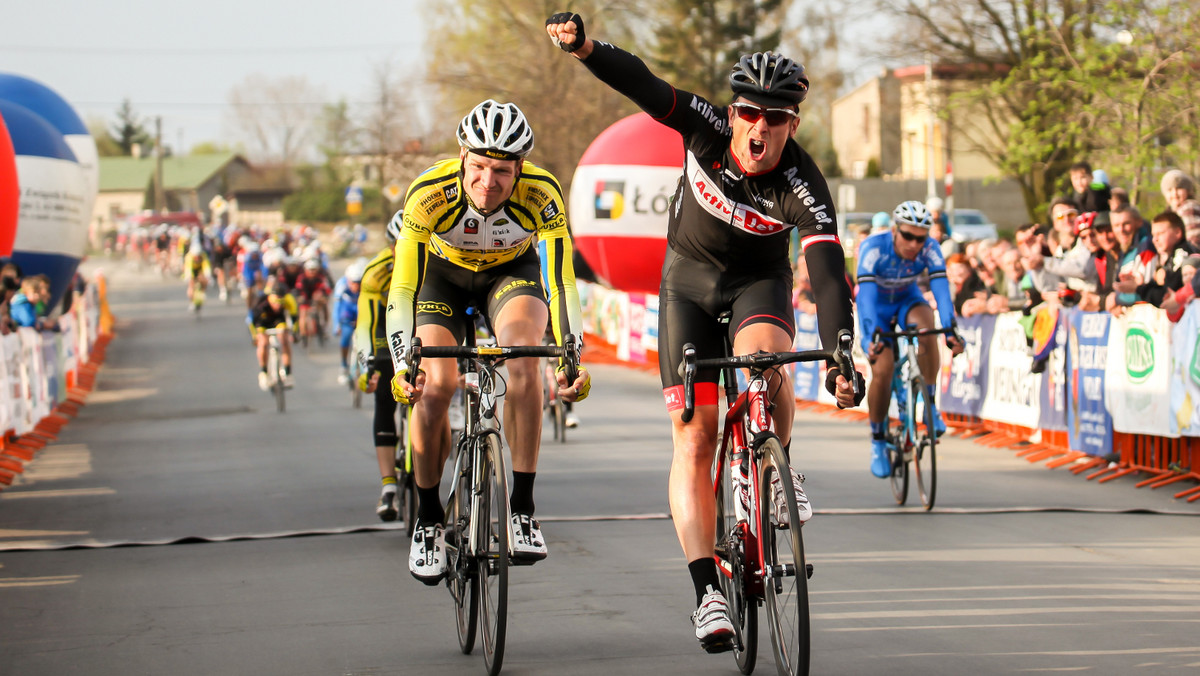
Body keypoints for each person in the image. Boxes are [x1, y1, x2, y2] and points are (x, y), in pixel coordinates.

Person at [545, 12, 861, 653]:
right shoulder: (706, 126)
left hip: (757, 286)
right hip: (686, 286)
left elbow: (828, 276)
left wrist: (842, 354)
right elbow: (644, 84)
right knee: (695, 436)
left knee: (767, 364)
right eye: (750, 113)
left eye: (776, 118)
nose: (760, 128)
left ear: (792, 125)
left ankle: (776, 459)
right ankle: (705, 594)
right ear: (734, 112)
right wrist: (585, 50)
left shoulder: (802, 183)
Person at [385, 100, 591, 585]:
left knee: (523, 361)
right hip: (442, 280)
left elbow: (561, 283)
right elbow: (402, 287)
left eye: (502, 171)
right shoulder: (429, 192)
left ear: (521, 167)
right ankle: (430, 520)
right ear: (461, 157)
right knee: (436, 385)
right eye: (477, 167)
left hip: (508, 275)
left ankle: (521, 507)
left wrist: (570, 356)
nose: (487, 182)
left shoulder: (542, 194)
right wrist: (402, 362)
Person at [856, 200, 965, 479]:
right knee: (882, 369)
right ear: (895, 230)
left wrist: (950, 328)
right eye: (908, 236)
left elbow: (941, 288)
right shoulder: (873, 247)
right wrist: (870, 336)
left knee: (928, 329)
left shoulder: (931, 248)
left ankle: (929, 406)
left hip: (907, 299)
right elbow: (866, 298)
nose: (915, 244)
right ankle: (878, 440)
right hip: (877, 309)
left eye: (921, 237)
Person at [354, 216, 408, 521]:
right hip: (384, 334)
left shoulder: (436, 261)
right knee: (384, 397)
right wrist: (367, 365)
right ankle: (388, 485)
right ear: (389, 246)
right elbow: (365, 325)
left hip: (422, 330)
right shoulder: (377, 272)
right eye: (397, 246)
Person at [249, 284, 297, 389]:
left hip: (278, 320)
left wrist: (294, 332)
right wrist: (255, 337)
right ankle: (264, 372)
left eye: (281, 302)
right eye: (275, 302)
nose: (278, 306)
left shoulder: (288, 300)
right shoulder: (261, 304)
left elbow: (294, 317)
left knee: (284, 340)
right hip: (262, 322)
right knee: (264, 343)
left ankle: (288, 373)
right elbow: (251, 322)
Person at [334, 260, 364, 384]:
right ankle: (343, 365)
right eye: (353, 282)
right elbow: (337, 308)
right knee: (345, 337)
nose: (355, 286)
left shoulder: (366, 288)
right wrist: (337, 325)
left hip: (361, 316)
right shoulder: (342, 287)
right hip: (347, 316)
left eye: (358, 283)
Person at [1161, 169, 1200, 247]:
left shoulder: (1189, 208)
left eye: (1179, 188)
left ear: (1188, 191)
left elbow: (1194, 238)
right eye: (1170, 190)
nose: (1174, 193)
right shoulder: (1170, 212)